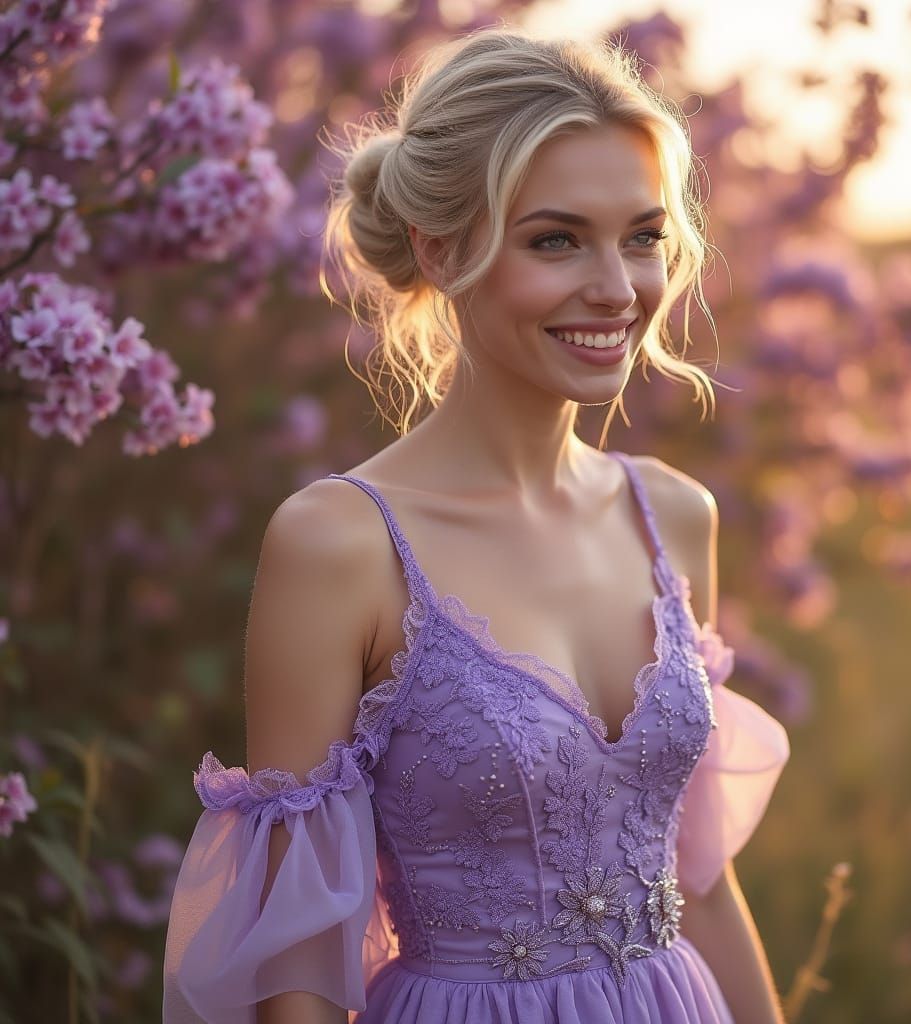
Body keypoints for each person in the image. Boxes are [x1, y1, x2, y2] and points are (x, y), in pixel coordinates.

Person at [162, 26, 791, 1024]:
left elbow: (699, 881)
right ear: (440, 248)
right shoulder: (340, 544)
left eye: (642, 234)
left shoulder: (673, 514)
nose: (616, 287)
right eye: (555, 239)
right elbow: (297, 970)